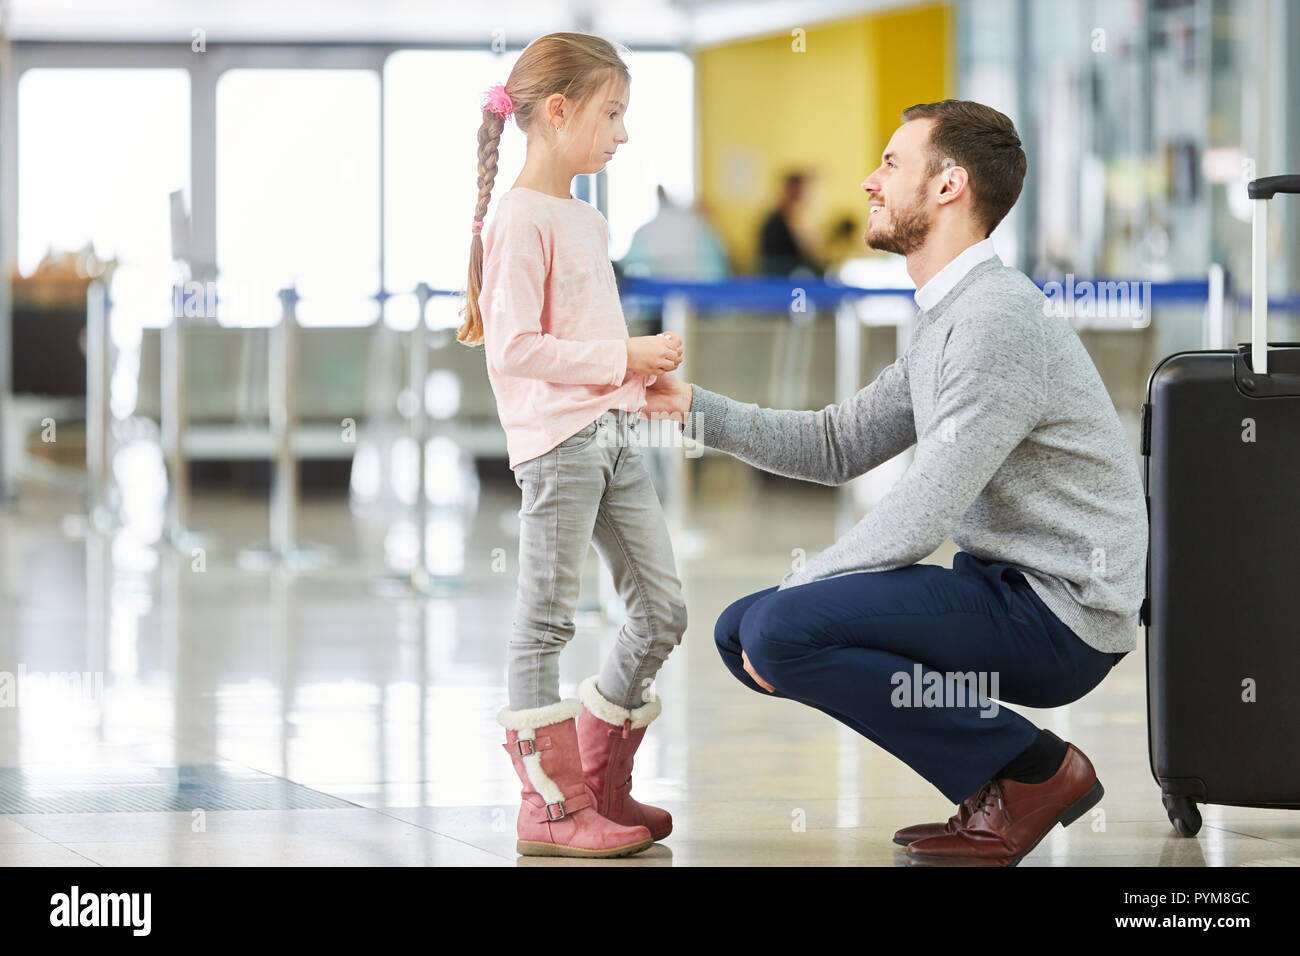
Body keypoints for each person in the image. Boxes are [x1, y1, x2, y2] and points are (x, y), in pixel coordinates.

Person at [642, 99, 1147, 866]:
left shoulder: (995, 320)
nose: (868, 181)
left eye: (889, 163)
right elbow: (840, 443)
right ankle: (998, 780)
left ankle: (1034, 771)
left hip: (1063, 614)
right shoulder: (949, 313)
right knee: (740, 630)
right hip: (1006, 588)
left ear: (949, 187)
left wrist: (802, 586)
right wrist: (692, 411)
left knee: (779, 631)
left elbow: (921, 512)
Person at [457, 32, 688, 859]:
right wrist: (624, 357)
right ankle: (549, 811)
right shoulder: (517, 220)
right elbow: (514, 348)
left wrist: (634, 387)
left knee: (664, 610)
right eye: (612, 113)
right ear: (557, 113)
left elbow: (582, 340)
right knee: (545, 622)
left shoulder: (585, 216)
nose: (622, 133)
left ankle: (597, 782)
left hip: (615, 437)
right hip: (558, 449)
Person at [757, 171, 824, 277]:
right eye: (801, 189)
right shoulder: (778, 220)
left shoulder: (788, 217)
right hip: (780, 276)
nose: (804, 194)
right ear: (792, 189)